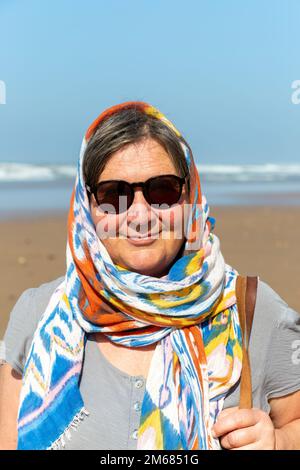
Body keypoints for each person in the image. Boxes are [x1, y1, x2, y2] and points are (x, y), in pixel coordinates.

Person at [0, 101, 300, 450]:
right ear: (87, 207)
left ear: (190, 195)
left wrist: (278, 441)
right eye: (115, 194)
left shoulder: (252, 309)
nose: (140, 215)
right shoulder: (38, 313)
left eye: (163, 190)